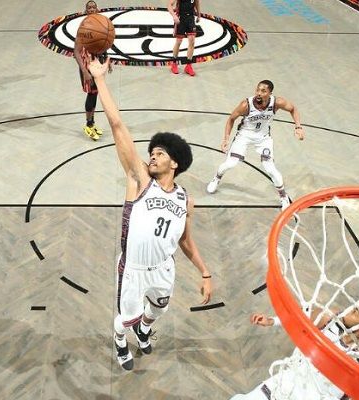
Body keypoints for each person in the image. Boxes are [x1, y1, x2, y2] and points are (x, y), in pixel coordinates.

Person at [87, 53, 214, 371]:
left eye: (160, 153)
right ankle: (120, 341)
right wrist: (100, 79)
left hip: (163, 268)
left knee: (157, 310)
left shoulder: (185, 199)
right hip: (133, 268)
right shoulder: (140, 179)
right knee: (124, 319)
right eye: (152, 153)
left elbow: (186, 241)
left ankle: (144, 330)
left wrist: (205, 272)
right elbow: (117, 126)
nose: (153, 157)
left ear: (175, 163)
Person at [232, 299, 359, 399]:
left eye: (356, 311)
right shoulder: (330, 318)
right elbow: (300, 317)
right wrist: (272, 321)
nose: (350, 309)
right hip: (288, 382)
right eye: (354, 306)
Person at [205, 80, 304, 210]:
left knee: (270, 168)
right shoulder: (246, 105)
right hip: (244, 136)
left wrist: (298, 126)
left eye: (263, 91)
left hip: (263, 138)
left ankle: (283, 196)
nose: (259, 93)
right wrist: (226, 139)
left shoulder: (277, 103)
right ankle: (217, 178)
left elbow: (293, 109)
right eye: (257, 90)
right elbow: (231, 119)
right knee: (231, 163)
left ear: (270, 93)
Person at [74, 0, 105, 140]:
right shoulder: (83, 27)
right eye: (89, 8)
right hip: (87, 65)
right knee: (91, 94)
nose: (92, 9)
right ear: (87, 11)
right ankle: (88, 124)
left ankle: (92, 123)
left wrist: (106, 59)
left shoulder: (100, 24)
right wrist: (85, 71)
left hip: (97, 63)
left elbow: (103, 43)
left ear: (97, 9)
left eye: (93, 7)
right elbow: (76, 51)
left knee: (95, 93)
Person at [168, 0, 200, 76]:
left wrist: (199, 15)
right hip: (181, 18)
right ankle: (174, 63)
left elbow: (197, 2)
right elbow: (169, 5)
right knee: (179, 41)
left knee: (192, 41)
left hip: (190, 18)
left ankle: (188, 66)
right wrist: (174, 16)